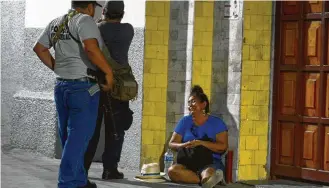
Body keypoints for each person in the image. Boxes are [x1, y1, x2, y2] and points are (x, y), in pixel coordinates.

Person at [33, 1, 114, 187]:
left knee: (70, 139)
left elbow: (39, 48)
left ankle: (78, 180)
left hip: (61, 86)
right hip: (83, 88)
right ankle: (68, 183)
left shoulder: (56, 22)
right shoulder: (85, 20)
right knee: (79, 139)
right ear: (91, 6)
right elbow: (91, 49)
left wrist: (58, 68)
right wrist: (109, 73)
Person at [84, 0, 134, 180]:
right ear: (122, 14)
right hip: (119, 86)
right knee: (116, 128)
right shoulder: (129, 30)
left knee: (92, 127)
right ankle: (110, 168)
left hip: (97, 83)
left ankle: (83, 168)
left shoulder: (97, 29)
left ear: (103, 11)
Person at [168, 85, 228, 188]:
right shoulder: (184, 121)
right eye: (189, 102)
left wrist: (201, 143)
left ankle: (206, 178)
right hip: (188, 163)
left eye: (193, 101)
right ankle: (203, 181)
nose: (190, 105)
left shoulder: (217, 123)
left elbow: (223, 147)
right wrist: (184, 144)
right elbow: (171, 143)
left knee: (208, 173)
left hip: (210, 162)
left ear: (204, 104)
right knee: (172, 171)